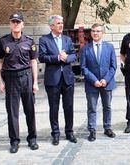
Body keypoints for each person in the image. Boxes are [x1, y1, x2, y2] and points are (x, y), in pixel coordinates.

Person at [0, 12, 39, 153]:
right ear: (10, 24)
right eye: (13, 22)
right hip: (11, 79)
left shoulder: (29, 41)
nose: (16, 24)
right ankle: (14, 141)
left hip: (26, 78)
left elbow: (33, 61)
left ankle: (32, 139)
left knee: (30, 110)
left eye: (18, 22)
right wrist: (0, 81)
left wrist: (35, 82)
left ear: (22, 24)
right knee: (12, 112)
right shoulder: (3, 41)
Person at [38, 15, 77, 145]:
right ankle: (55, 134)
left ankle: (69, 132)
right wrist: (57, 58)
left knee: (69, 107)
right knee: (54, 108)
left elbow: (74, 55)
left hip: (67, 79)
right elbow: (42, 57)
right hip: (53, 79)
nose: (61, 25)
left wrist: (67, 58)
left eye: (62, 23)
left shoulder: (67, 39)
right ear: (51, 26)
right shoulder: (44, 40)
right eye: (58, 23)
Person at [80, 23, 117, 142]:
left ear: (103, 33)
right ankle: (92, 130)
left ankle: (107, 128)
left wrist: (105, 79)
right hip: (92, 84)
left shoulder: (109, 47)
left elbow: (113, 66)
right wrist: (94, 80)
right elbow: (83, 67)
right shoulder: (85, 48)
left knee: (107, 106)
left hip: (107, 83)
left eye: (98, 31)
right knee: (92, 108)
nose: (96, 33)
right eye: (94, 31)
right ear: (90, 33)